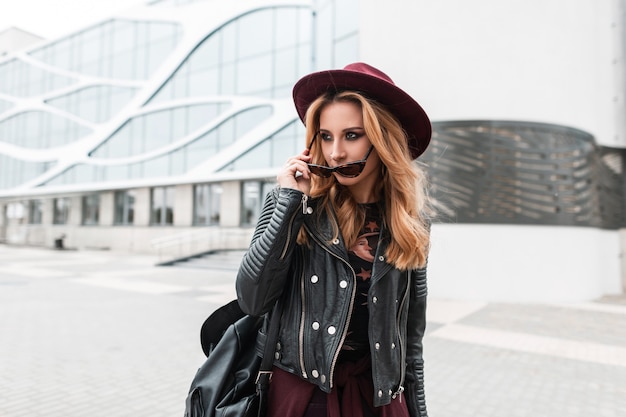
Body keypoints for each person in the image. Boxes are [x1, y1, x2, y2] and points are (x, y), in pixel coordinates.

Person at [236, 62, 433, 417]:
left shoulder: (408, 222)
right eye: (326, 136)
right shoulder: (297, 204)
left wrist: (419, 411)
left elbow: (410, 338)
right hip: (304, 399)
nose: (336, 153)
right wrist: (287, 205)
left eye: (352, 135)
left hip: (381, 400)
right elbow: (252, 299)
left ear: (382, 138)